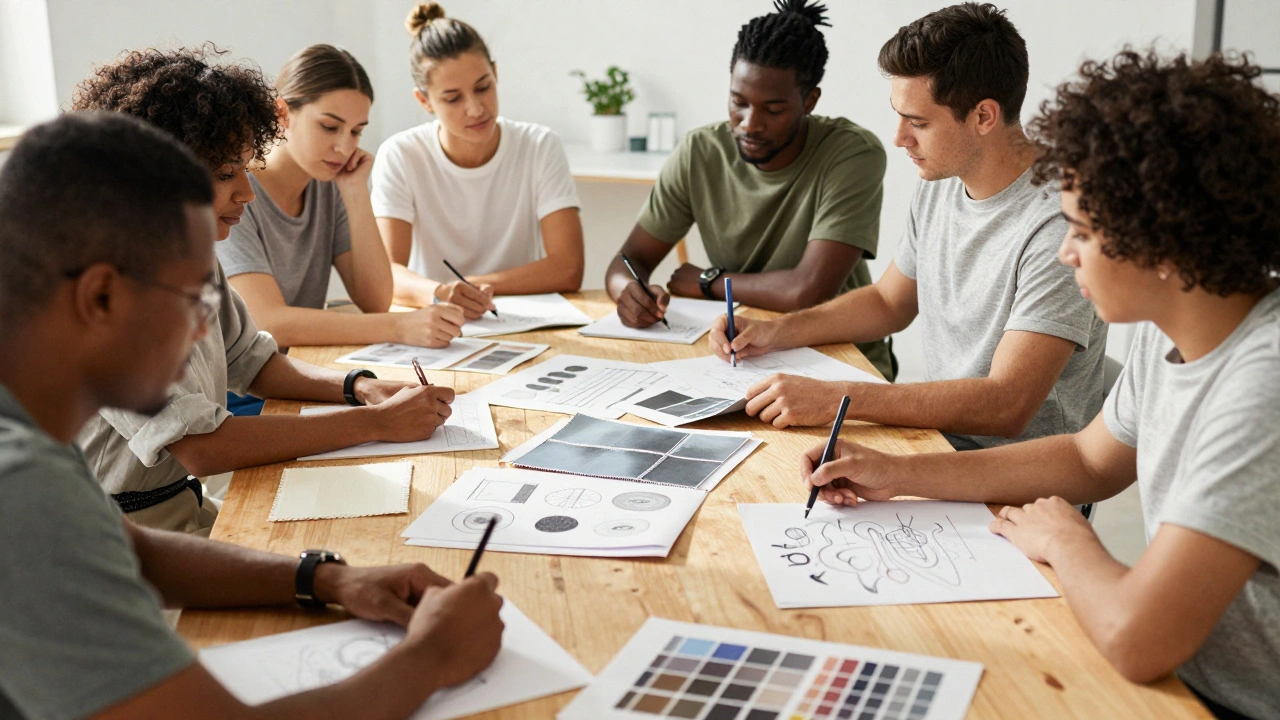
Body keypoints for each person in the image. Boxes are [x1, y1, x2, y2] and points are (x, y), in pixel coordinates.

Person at [803, 51, 1280, 720]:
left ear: (1166, 241)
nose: (1066, 251)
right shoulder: (1170, 324)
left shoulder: (1263, 385)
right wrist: (897, 471)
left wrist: (1066, 539)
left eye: (1083, 232)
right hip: (1183, 677)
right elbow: (1088, 458)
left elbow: (1136, 639)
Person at [0, 111, 504, 720]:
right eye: (193, 297)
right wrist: (434, 657)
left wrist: (328, 579)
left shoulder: (30, 429)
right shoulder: (19, 486)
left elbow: (136, 552)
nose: (204, 327)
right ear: (101, 297)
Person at [73, 46, 455, 534]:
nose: (248, 194)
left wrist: (359, 387)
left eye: (246, 171)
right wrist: (376, 424)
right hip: (114, 529)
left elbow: (253, 360)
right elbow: (201, 447)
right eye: (227, 174)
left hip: (176, 506)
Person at [712, 2, 1106, 448]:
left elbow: (1006, 403)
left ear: (983, 116)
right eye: (899, 115)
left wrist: (839, 398)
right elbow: (888, 302)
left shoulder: (1061, 225)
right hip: (937, 445)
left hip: (1017, 489)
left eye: (918, 122)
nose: (900, 138)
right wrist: (773, 332)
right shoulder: (943, 177)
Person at [605, 0, 892, 379]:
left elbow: (806, 290)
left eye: (773, 110)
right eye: (738, 103)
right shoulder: (700, 152)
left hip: (837, 359)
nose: (750, 124)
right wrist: (628, 291)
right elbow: (627, 261)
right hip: (737, 355)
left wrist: (708, 281)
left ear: (810, 101)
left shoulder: (852, 154)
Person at [219, 44, 466, 354]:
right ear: (281, 113)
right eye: (329, 127)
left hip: (293, 370)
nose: (344, 147)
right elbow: (269, 323)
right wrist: (401, 327)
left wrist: (355, 190)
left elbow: (375, 299)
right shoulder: (235, 192)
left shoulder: (327, 183)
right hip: (240, 394)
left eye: (356, 131)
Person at [372, 2, 585, 318]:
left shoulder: (539, 146)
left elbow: (568, 268)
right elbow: (386, 273)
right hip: (437, 320)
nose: (475, 108)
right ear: (424, 101)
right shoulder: (401, 155)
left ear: (496, 73)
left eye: (483, 87)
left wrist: (471, 286)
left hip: (523, 321)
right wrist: (440, 293)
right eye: (453, 98)